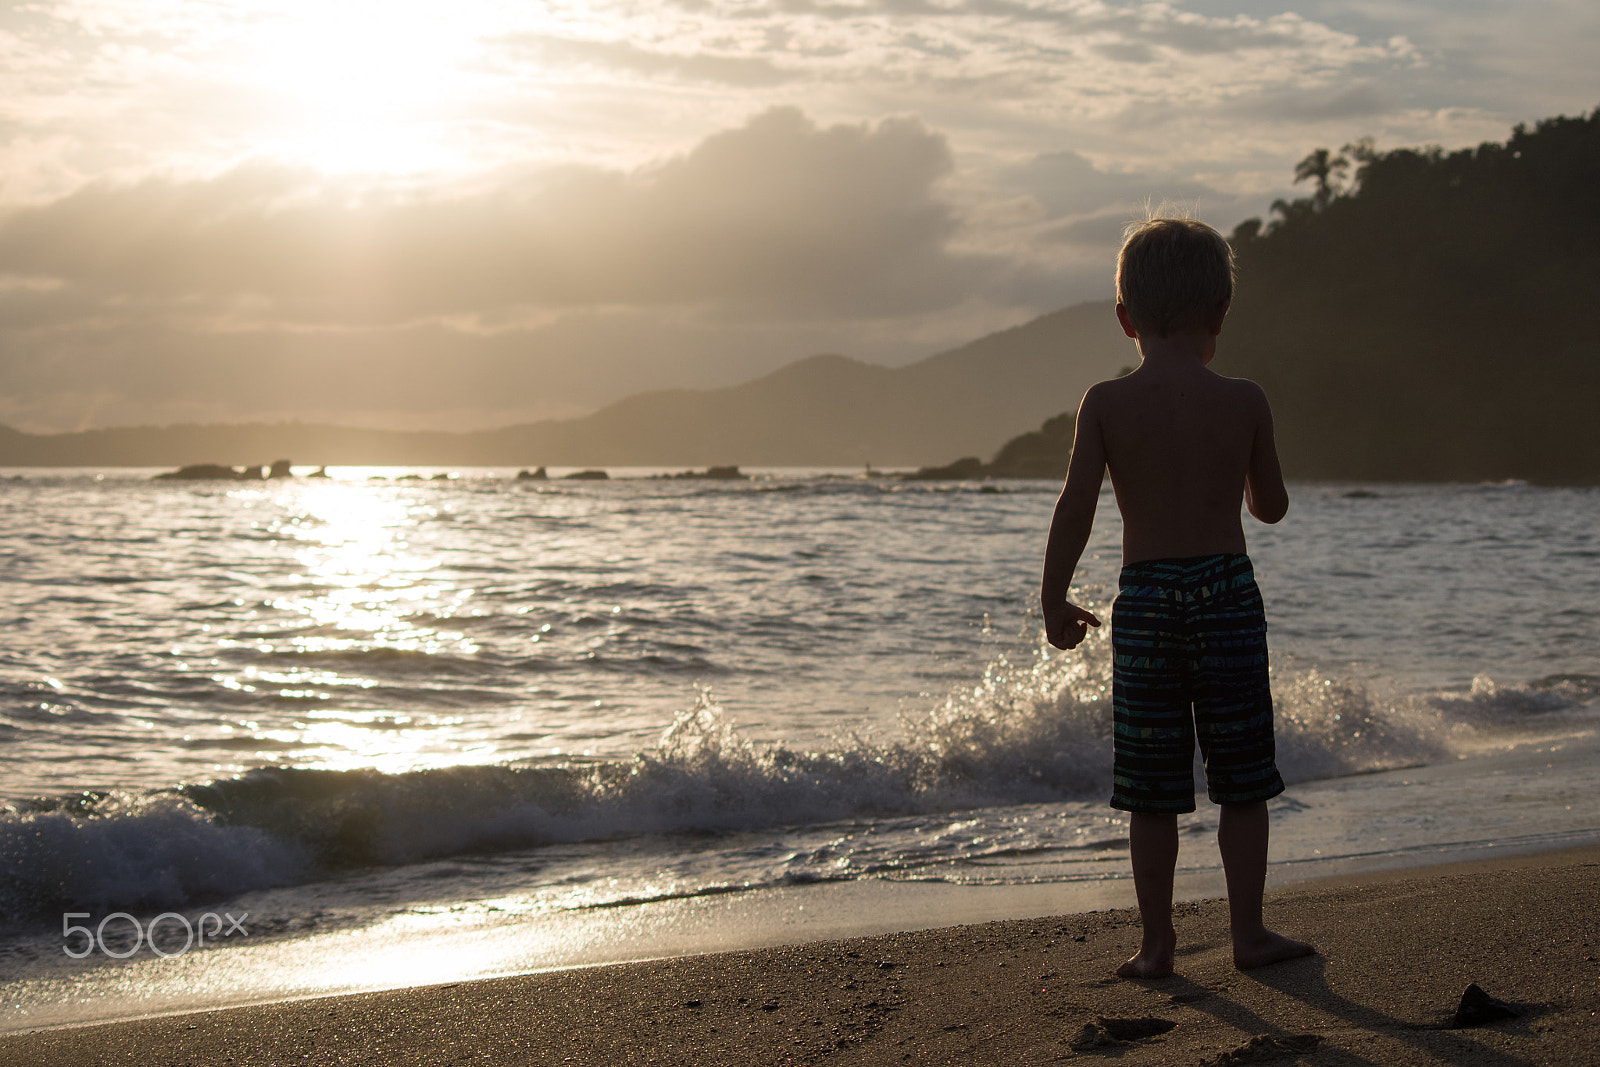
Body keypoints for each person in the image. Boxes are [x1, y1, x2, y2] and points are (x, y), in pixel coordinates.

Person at [1040, 215, 1315, 979]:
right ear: (1220, 315)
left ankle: (1157, 943)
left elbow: (1076, 505)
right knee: (1243, 779)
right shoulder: (1246, 398)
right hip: (1227, 593)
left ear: (1126, 317)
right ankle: (1249, 933)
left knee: (1152, 788)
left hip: (1150, 598)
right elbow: (1272, 505)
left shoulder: (1104, 402)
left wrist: (1054, 597)